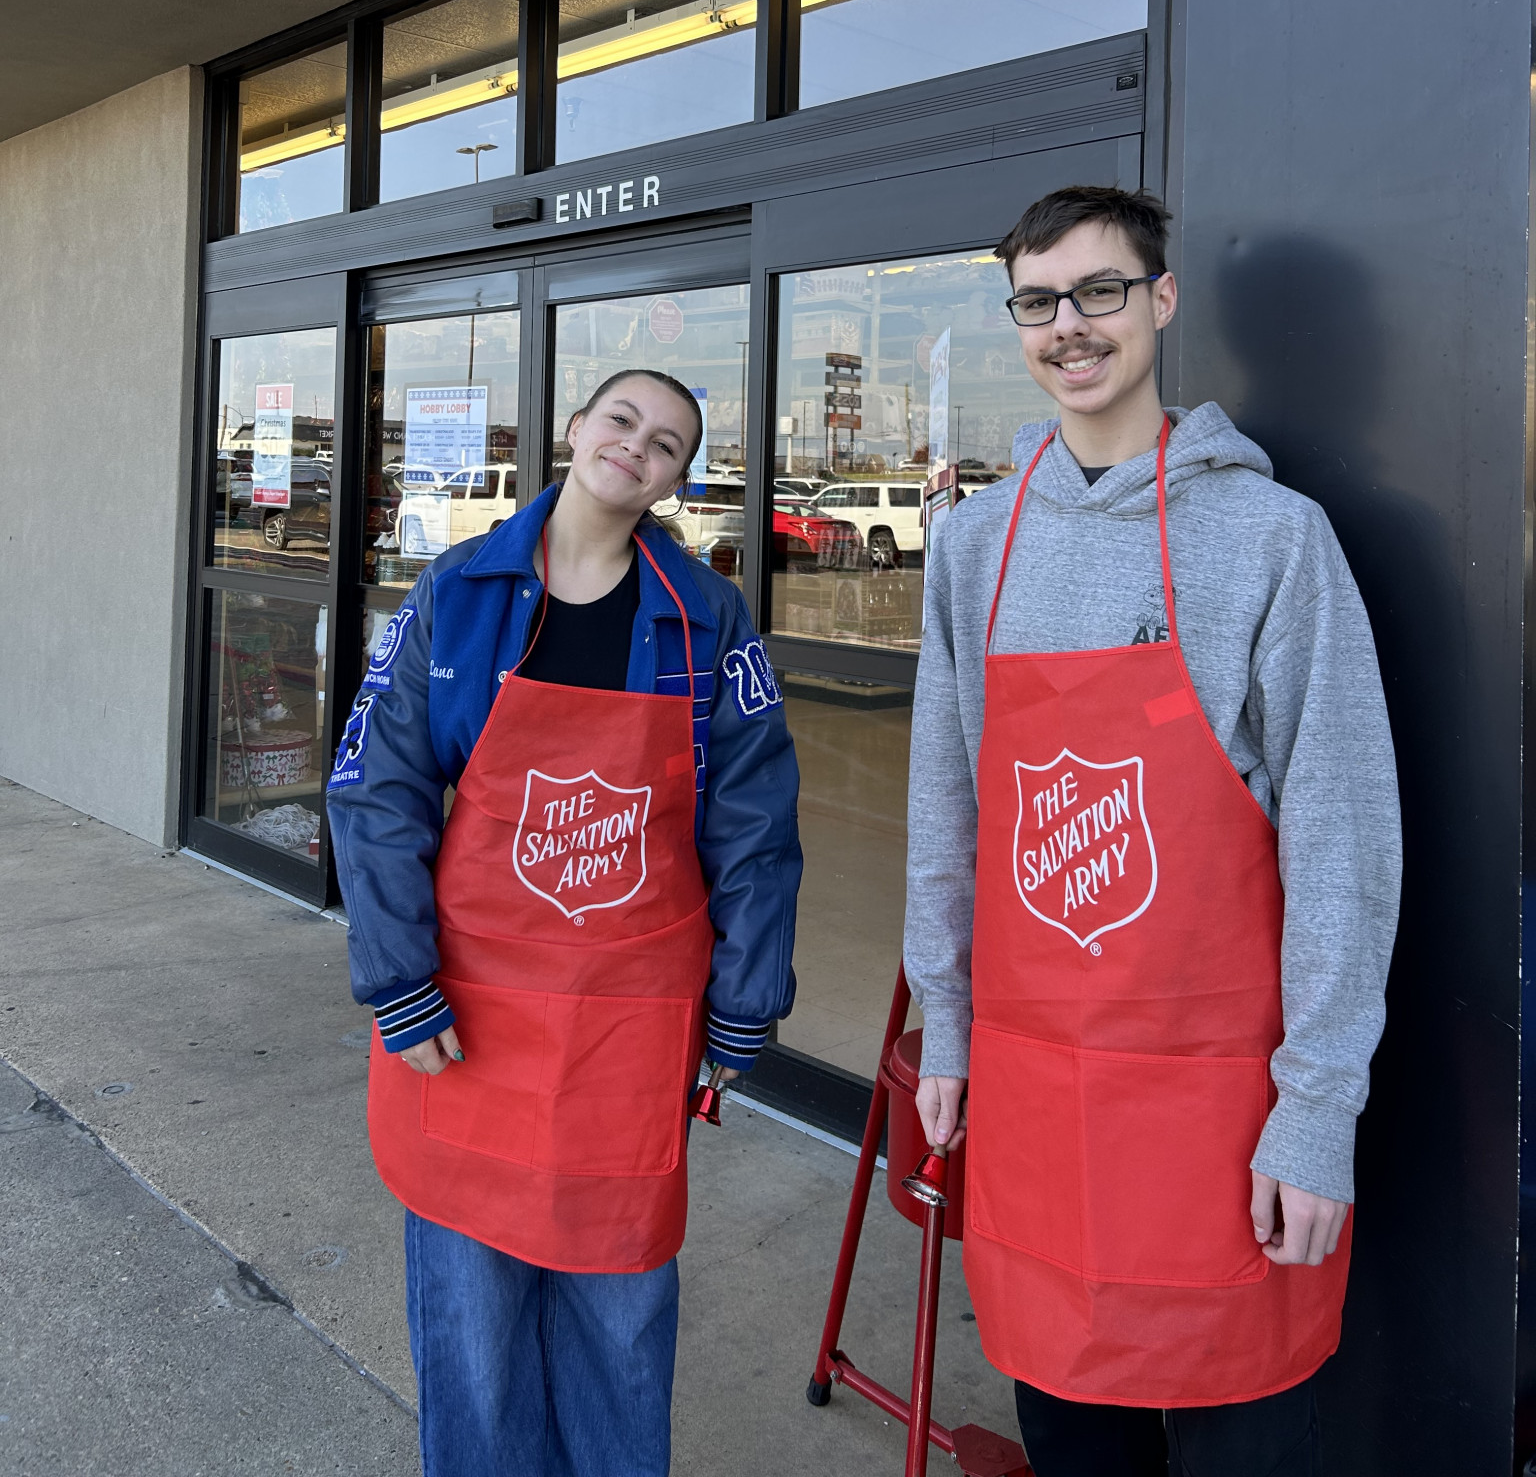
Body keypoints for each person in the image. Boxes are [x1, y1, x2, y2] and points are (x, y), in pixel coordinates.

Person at [904, 185, 1401, 1477]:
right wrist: (947, 1024)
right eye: (1038, 301)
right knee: (1073, 1438)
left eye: (1100, 290)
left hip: (1224, 1119)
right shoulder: (974, 545)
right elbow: (947, 811)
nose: (1069, 324)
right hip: (1038, 1107)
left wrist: (1316, 1110)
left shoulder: (1272, 537)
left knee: (1246, 1442)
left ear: (1162, 299)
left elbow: (1342, 841)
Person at [327, 369, 801, 1477]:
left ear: (677, 480)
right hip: (467, 1017)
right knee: (472, 1323)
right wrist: (399, 980)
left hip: (628, 1030)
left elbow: (754, 821)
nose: (637, 445)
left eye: (667, 442)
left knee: (619, 1317)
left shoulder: (706, 616)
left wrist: (744, 1005)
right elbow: (377, 789)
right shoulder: (458, 591)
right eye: (622, 419)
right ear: (578, 428)